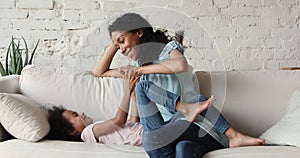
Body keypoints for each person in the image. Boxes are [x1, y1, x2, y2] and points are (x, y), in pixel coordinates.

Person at [93, 12, 265, 151]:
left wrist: (138, 70)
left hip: (190, 122)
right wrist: (115, 42)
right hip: (161, 129)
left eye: (123, 41)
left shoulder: (168, 51)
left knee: (185, 146)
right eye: (118, 46)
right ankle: (225, 132)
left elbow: (180, 64)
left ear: (139, 32)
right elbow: (99, 72)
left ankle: (195, 114)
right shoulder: (136, 69)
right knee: (144, 91)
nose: (121, 49)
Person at [46, 72, 222, 158]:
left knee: (197, 99)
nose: (81, 113)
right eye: (75, 115)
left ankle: (226, 134)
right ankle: (186, 115)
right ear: (71, 132)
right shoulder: (88, 133)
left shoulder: (98, 129)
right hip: (151, 135)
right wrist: (128, 90)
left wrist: (134, 98)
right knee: (143, 86)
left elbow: (131, 121)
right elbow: (119, 120)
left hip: (154, 131)